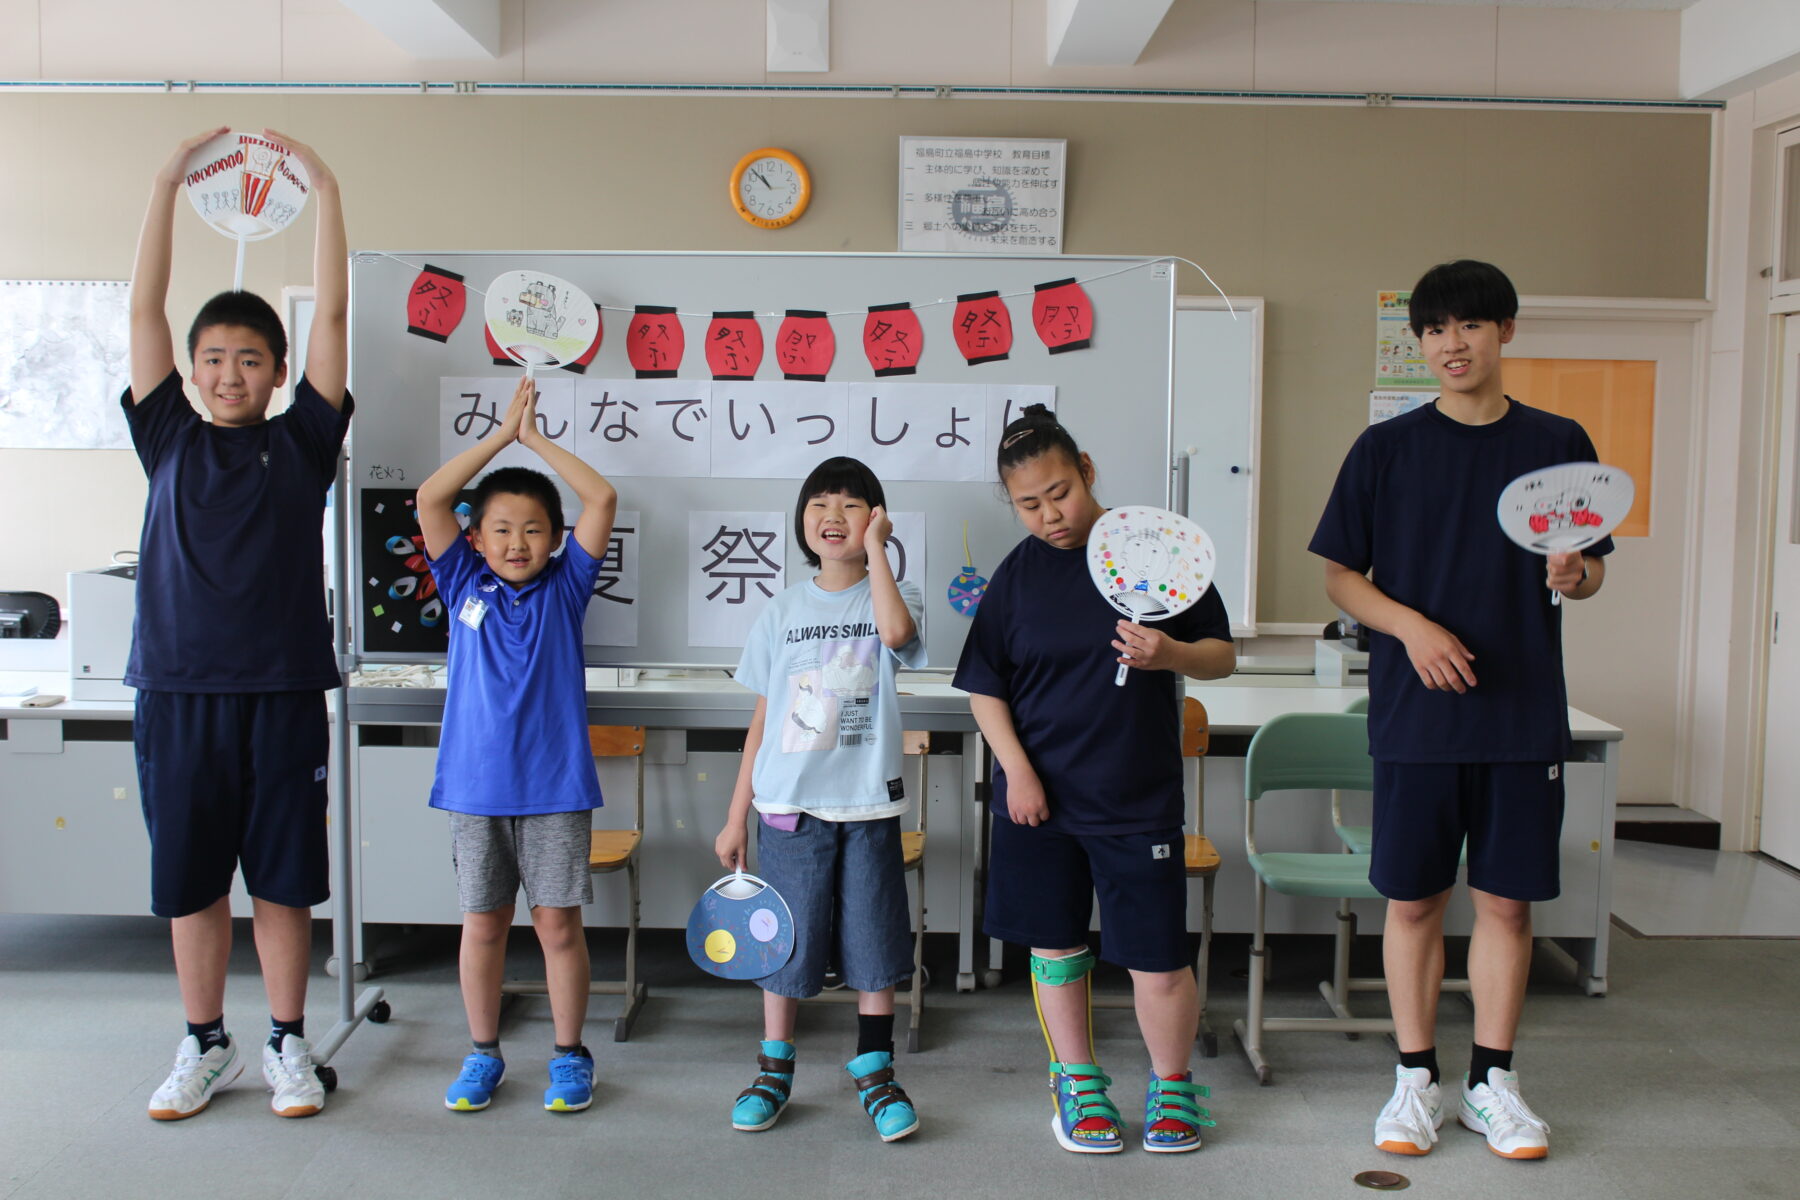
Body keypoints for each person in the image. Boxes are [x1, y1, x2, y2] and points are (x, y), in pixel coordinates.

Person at [1309, 259, 1610, 1161]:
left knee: (1508, 908)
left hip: (1522, 718)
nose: (1452, 344)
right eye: (1435, 329)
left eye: (1470, 326)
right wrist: (1414, 631)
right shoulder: (1386, 450)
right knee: (1413, 904)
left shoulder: (1558, 441)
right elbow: (1339, 575)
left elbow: (1592, 570)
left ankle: (1492, 1082)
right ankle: (1413, 1081)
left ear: (1505, 331)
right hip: (1417, 717)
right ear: (1420, 343)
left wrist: (1575, 573)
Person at [127, 127, 350, 1121]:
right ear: (190, 368)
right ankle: (204, 1043)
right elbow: (142, 304)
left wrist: (327, 186)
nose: (228, 374)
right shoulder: (167, 429)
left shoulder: (304, 440)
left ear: (279, 368)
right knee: (189, 885)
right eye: (212, 358)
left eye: (249, 359)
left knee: (286, 885)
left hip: (284, 693)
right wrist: (170, 181)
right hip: (177, 695)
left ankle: (288, 1046)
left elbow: (337, 306)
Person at [953, 405, 1236, 1155]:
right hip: (1039, 797)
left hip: (1134, 794)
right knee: (1055, 950)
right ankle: (1076, 1083)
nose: (1050, 516)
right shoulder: (1016, 576)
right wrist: (1016, 773)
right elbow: (986, 685)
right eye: (1029, 504)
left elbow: (1221, 655)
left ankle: (1172, 1087)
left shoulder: (1152, 549)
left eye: (1059, 493)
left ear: (1087, 469)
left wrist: (1170, 653)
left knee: (1158, 955)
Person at [416, 376, 618, 1114]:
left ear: (555, 538)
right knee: (483, 924)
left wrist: (535, 443)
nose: (517, 542)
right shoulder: (461, 578)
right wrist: (500, 439)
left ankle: (570, 1054)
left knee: (558, 924)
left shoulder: (567, 587)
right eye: (501, 528)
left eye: (533, 528)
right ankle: (483, 1053)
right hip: (473, 788)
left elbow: (601, 501)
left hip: (555, 786)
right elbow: (431, 501)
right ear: (476, 538)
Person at [714, 456, 926, 1143]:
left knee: (874, 945)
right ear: (802, 522)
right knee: (783, 946)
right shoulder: (781, 609)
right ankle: (774, 1070)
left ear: (877, 520)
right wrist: (734, 812)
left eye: (851, 505)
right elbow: (762, 718)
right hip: (789, 808)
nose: (832, 517)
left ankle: (876, 1070)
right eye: (819, 505)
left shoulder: (895, 594)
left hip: (866, 806)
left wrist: (879, 557)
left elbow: (896, 637)